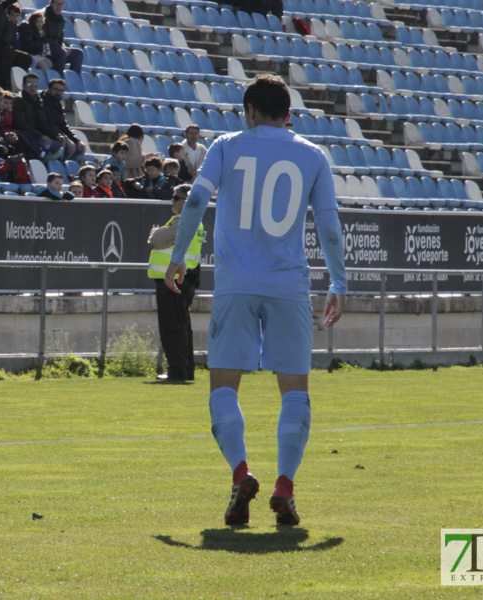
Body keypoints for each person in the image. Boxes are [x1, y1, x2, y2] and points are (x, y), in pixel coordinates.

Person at [163, 74, 347, 527]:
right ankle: (285, 486)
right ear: (289, 114)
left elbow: (193, 204)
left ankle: (241, 474)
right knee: (295, 392)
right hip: (288, 286)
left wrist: (178, 258)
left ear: (248, 112)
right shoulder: (312, 156)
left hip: (235, 285)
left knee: (223, 387)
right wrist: (338, 282)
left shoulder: (226, 146)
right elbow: (328, 225)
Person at [148, 183, 202, 383]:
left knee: (172, 327)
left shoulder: (181, 221)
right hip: (185, 279)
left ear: (187, 202)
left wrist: (158, 232)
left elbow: (156, 240)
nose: (172, 200)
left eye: (176, 197)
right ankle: (186, 370)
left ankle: (177, 372)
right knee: (183, 325)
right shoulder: (196, 221)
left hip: (171, 280)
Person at [12, 72, 61, 160]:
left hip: (38, 135)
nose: (32, 88)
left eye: (35, 85)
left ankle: (48, 165)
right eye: (29, 84)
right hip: (27, 136)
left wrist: (57, 135)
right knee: (47, 145)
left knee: (60, 144)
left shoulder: (39, 101)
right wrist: (40, 136)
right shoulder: (18, 100)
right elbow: (21, 124)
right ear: (23, 85)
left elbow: (44, 124)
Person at [40, 77, 82, 161]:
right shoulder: (42, 103)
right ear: (49, 89)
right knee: (64, 146)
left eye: (61, 90)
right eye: (55, 89)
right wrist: (66, 139)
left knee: (79, 148)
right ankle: (56, 168)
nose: (58, 92)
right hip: (46, 135)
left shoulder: (58, 105)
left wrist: (77, 140)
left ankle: (65, 169)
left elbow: (64, 126)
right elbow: (49, 125)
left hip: (57, 135)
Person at [42, 0, 81, 75]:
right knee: (62, 53)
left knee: (78, 54)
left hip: (56, 48)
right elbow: (42, 37)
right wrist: (60, 47)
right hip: (44, 48)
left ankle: (74, 80)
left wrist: (63, 46)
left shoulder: (61, 19)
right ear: (51, 3)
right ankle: (58, 79)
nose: (59, 7)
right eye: (57, 4)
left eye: (62, 4)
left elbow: (60, 39)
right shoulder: (43, 16)